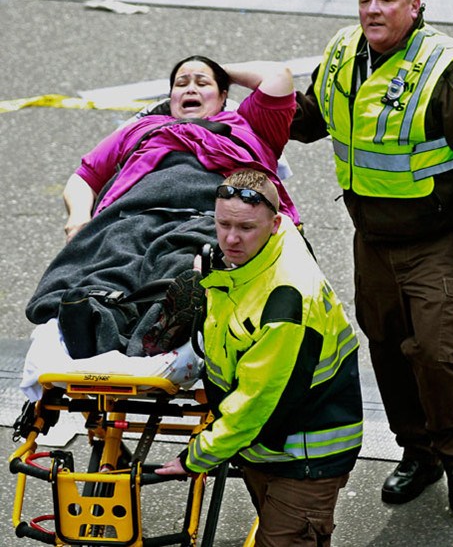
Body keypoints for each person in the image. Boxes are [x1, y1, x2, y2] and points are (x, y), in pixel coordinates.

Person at [290, 0, 453, 514]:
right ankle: (419, 453)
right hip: (371, 238)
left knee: (440, 351)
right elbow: (308, 118)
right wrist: (249, 112)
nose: (372, 9)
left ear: (413, 7)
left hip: (435, 240)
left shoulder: (450, 68)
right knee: (389, 348)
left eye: (386, 0)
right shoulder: (346, 50)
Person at [25, 56, 299, 362]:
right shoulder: (141, 129)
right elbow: (83, 178)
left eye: (202, 83)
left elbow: (279, 76)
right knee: (112, 263)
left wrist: (218, 69)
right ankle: (96, 317)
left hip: (209, 216)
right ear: (170, 98)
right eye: (181, 84)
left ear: (224, 96)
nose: (190, 89)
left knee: (184, 265)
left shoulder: (251, 127)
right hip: (133, 214)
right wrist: (77, 219)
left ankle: (158, 329)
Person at [156, 169, 363, 546]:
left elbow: (259, 401)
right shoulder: (246, 260)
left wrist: (197, 456)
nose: (231, 239)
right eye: (223, 224)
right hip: (266, 445)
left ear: (275, 222)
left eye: (246, 228)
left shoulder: (288, 297)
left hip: (303, 457)